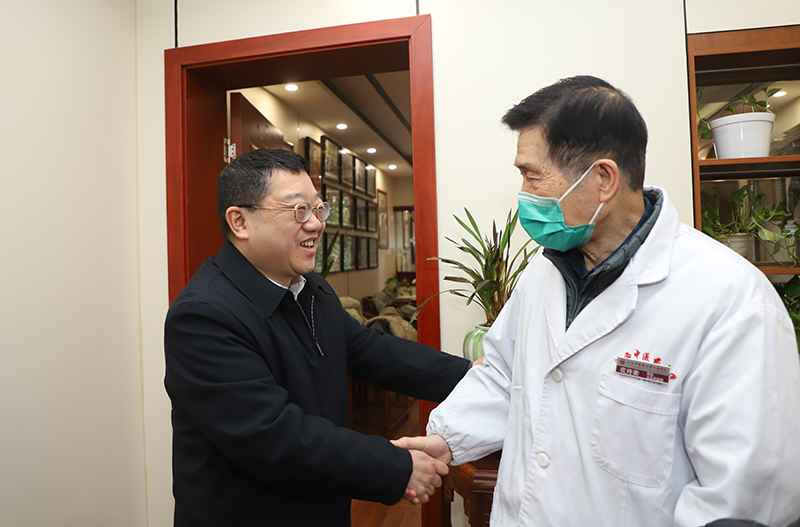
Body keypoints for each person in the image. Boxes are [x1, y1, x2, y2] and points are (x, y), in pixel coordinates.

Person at [392, 76, 800, 527]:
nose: (524, 194)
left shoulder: (730, 300)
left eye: (532, 175)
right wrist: (447, 439)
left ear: (603, 179)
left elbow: (741, 497)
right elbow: (504, 377)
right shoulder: (544, 275)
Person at [164, 148, 471, 526]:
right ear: (239, 221)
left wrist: (476, 377)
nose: (315, 224)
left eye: (317, 208)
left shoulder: (311, 289)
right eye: (298, 210)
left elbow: (374, 352)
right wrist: (397, 466)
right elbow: (273, 435)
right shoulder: (203, 316)